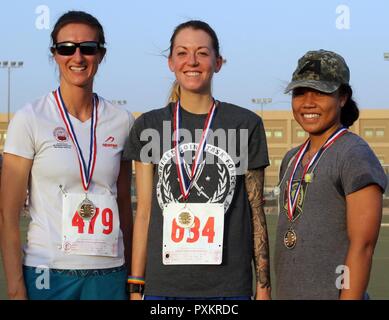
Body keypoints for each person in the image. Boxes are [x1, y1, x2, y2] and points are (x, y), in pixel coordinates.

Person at [125, 20, 271, 300]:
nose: (192, 61)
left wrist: (263, 285)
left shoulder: (245, 123)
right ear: (170, 62)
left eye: (202, 53)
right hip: (164, 287)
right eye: (182, 53)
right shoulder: (149, 125)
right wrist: (136, 284)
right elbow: (144, 212)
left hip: (228, 287)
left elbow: (255, 211)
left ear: (218, 62)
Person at [0, 11, 134, 300]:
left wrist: (134, 274)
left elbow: (124, 203)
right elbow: (8, 215)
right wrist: (15, 287)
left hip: (110, 272)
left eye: (88, 48)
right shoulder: (30, 118)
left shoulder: (121, 120)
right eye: (66, 48)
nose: (78, 56)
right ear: (54, 54)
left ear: (101, 54)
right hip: (47, 273)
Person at [274, 49, 387, 300]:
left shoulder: (353, 153)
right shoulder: (291, 158)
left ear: (343, 97)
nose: (308, 102)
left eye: (321, 92)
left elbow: (363, 247)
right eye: (300, 92)